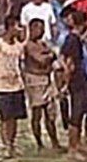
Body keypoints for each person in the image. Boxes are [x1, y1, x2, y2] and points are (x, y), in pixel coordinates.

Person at [57, 5, 87, 159]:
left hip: (82, 78)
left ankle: (82, 144)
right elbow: (69, 63)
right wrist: (66, 83)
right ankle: (72, 148)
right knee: (76, 114)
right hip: (77, 79)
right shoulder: (72, 39)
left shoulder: (75, 38)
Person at [0, 13, 29, 158]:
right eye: (17, 26)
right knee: (5, 117)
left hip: (16, 85)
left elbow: (21, 65)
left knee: (15, 117)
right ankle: (6, 145)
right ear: (10, 27)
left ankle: (11, 143)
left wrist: (24, 82)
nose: (19, 29)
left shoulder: (18, 46)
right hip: (1, 85)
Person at [21, 16, 59, 151]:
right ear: (31, 29)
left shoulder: (43, 44)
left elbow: (53, 55)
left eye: (43, 28)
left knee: (51, 114)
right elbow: (40, 60)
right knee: (37, 114)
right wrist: (50, 55)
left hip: (47, 79)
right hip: (34, 80)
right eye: (38, 27)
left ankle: (55, 142)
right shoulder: (28, 45)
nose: (41, 30)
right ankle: (39, 143)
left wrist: (49, 54)